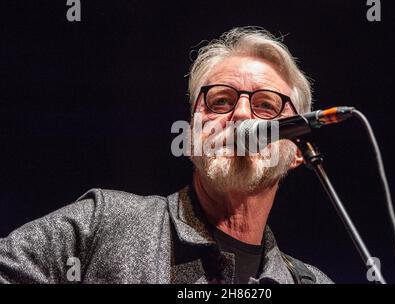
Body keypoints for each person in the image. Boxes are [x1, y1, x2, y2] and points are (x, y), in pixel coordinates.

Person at [0, 27, 333, 284]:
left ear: (296, 151)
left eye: (265, 105)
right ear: (190, 138)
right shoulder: (103, 223)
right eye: (220, 101)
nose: (242, 115)